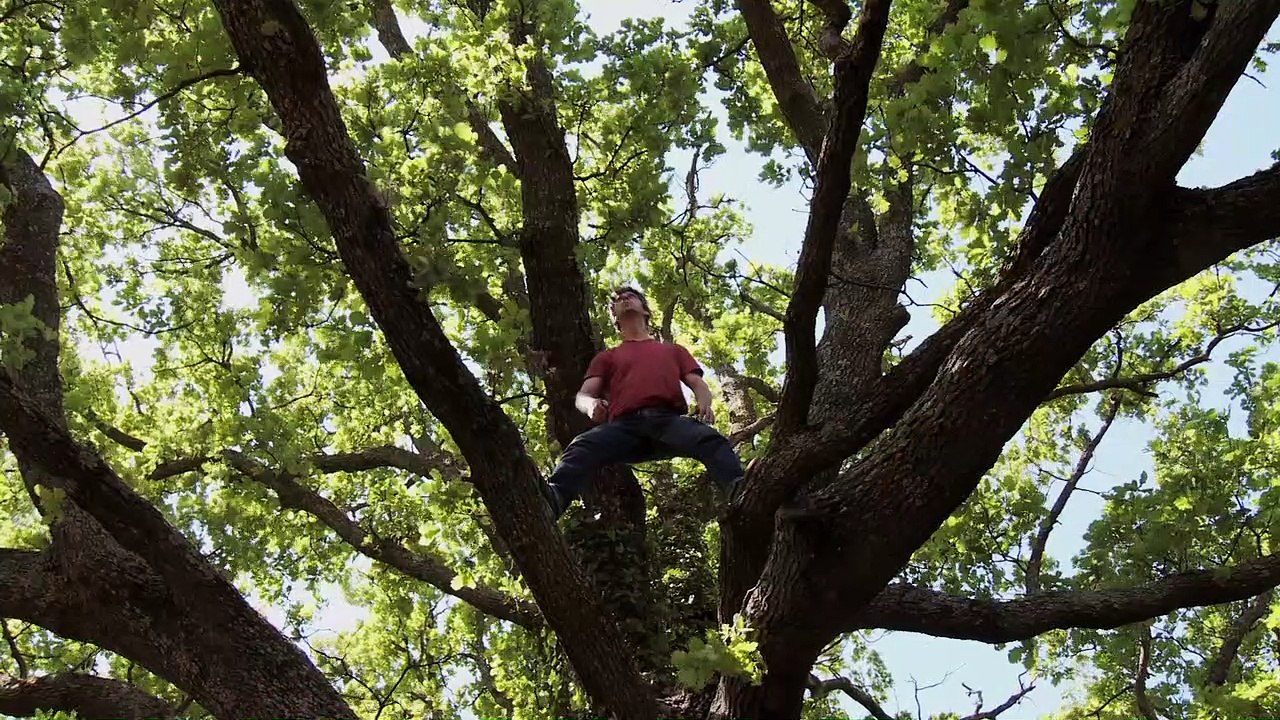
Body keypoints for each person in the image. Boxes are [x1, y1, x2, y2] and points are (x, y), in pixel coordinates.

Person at [540, 285, 745, 520]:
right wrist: (591, 406)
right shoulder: (607, 357)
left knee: (711, 440)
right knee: (581, 447)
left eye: (631, 297)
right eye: (618, 300)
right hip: (624, 428)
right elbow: (583, 395)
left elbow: (698, 384)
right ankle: (553, 500)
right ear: (615, 318)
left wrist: (704, 403)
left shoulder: (673, 350)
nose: (624, 300)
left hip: (668, 422)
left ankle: (740, 490)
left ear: (645, 310)